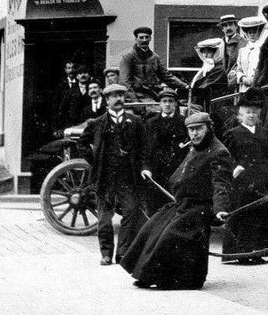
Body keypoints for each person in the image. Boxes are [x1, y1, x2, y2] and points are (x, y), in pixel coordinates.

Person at [120, 111, 233, 290]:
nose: (194, 134)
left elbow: (221, 184)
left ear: (209, 128)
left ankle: (173, 279)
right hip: (183, 203)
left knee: (170, 234)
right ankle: (146, 274)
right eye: (191, 130)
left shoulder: (219, 152)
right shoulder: (196, 146)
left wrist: (220, 209)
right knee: (152, 227)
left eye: (199, 129)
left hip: (200, 208)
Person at [81, 83, 147, 266]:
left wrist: (143, 167)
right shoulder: (97, 123)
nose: (118, 99)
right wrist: (95, 160)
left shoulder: (135, 121)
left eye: (121, 95)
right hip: (105, 178)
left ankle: (123, 253)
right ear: (107, 100)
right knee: (104, 219)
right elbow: (82, 143)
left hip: (127, 178)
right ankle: (106, 254)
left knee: (131, 213)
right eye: (114, 96)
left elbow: (143, 149)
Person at [222, 87, 268, 263]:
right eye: (247, 112)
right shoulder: (233, 134)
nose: (251, 115)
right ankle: (242, 254)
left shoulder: (264, 134)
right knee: (245, 217)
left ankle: (258, 252)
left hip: (263, 180)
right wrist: (234, 169)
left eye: (254, 112)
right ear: (240, 115)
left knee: (262, 216)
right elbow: (226, 157)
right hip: (243, 182)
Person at [142, 87, 190, 210]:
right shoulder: (151, 123)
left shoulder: (184, 122)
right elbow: (146, 148)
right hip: (156, 171)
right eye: (164, 101)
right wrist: (146, 168)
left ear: (175, 103)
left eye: (170, 101)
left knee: (176, 205)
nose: (167, 104)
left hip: (176, 171)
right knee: (155, 206)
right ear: (160, 104)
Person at [119, 27, 188, 101]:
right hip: (137, 96)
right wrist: (134, 102)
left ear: (150, 38)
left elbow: (166, 76)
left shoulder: (154, 57)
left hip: (154, 94)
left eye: (147, 37)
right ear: (136, 39)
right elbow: (124, 82)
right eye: (141, 38)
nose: (144, 40)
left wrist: (185, 86)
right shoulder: (128, 57)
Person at [228, 15, 268, 93]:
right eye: (250, 32)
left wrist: (255, 79)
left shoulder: (264, 48)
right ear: (246, 33)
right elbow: (239, 69)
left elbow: (265, 68)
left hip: (258, 86)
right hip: (244, 87)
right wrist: (243, 78)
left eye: (254, 32)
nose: (252, 35)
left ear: (259, 33)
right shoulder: (242, 51)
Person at [190, 37, 228, 110]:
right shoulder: (207, 67)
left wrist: (190, 92)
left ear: (216, 53)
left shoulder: (218, 68)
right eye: (203, 52)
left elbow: (204, 86)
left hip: (214, 104)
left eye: (208, 52)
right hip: (205, 101)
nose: (205, 55)